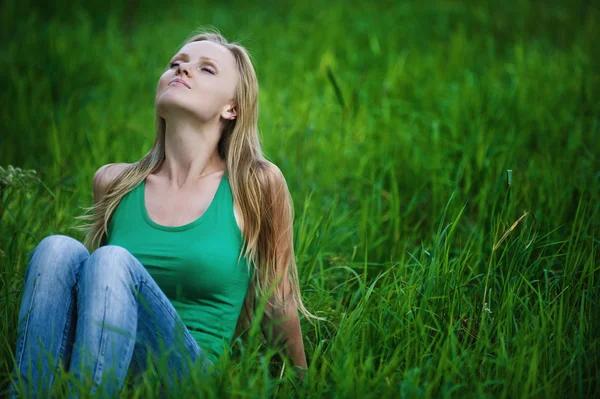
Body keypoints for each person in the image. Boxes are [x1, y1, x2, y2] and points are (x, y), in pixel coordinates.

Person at [7, 28, 323, 398]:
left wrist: (304, 384)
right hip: (108, 359)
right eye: (176, 63)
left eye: (206, 69)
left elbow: (277, 297)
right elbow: (94, 296)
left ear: (231, 108)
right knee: (57, 249)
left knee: (111, 260)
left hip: (188, 377)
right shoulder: (115, 183)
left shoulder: (255, 185)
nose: (182, 70)